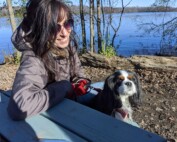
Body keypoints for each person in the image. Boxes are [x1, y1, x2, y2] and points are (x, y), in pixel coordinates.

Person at [7, 0, 88, 120]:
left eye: (68, 24)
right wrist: (65, 87)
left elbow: (79, 74)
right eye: (54, 27)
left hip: (70, 108)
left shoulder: (67, 47)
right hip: (52, 119)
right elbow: (20, 107)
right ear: (39, 29)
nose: (65, 33)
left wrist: (80, 83)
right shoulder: (34, 58)